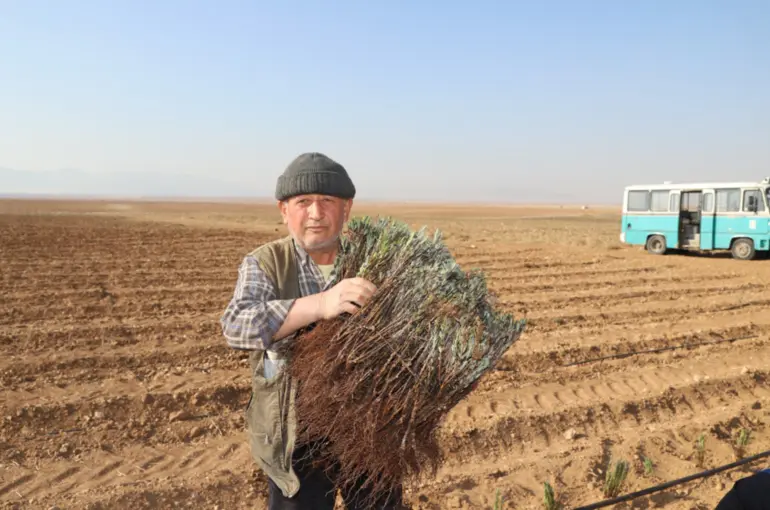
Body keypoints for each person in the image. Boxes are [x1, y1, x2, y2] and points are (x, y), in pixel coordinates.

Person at [220, 152, 405, 509]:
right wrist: (320, 305)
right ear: (283, 210)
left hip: (370, 429)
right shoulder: (266, 263)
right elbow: (236, 325)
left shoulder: (379, 263)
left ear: (347, 208)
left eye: (328, 201)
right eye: (303, 202)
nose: (316, 213)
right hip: (295, 433)